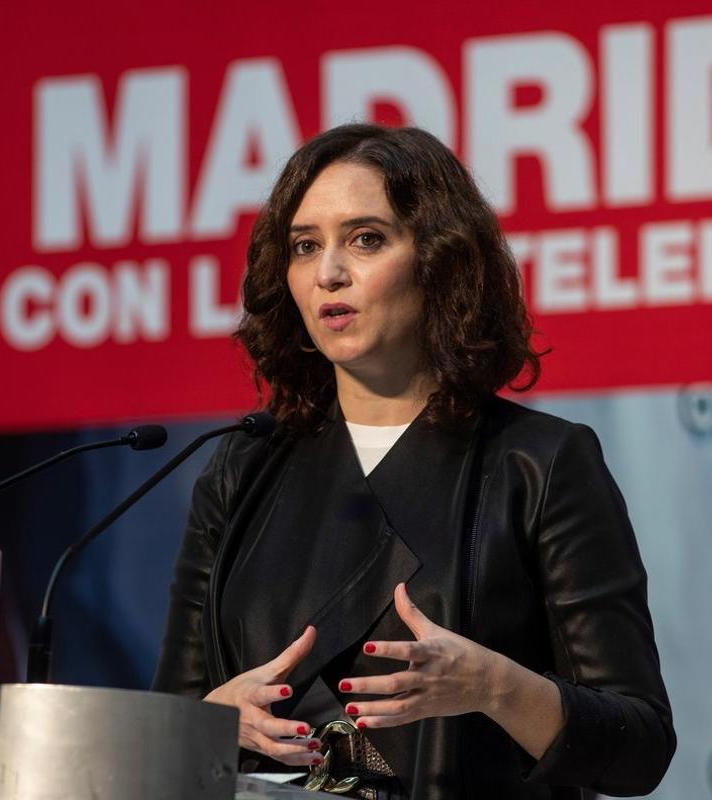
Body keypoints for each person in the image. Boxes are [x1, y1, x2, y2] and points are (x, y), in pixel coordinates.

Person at [152, 124, 674, 799]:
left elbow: (641, 750)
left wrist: (495, 687)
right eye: (306, 246)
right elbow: (162, 727)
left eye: (366, 239)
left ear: (439, 261)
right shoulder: (242, 469)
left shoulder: (538, 465)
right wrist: (214, 721)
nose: (329, 272)